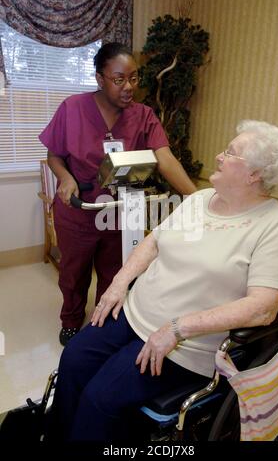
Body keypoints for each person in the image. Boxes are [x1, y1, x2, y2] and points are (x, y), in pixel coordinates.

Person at [48, 120, 278, 441]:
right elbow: (153, 243)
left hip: (183, 343)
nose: (219, 157)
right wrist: (119, 282)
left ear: (254, 174)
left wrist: (178, 328)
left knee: (101, 397)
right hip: (134, 313)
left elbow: (262, 309)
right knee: (74, 358)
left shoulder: (275, 228)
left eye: (230, 153)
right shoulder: (200, 199)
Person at [38, 42, 197, 346]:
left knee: (115, 274)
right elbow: (54, 154)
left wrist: (196, 196)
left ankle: (103, 322)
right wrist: (65, 178)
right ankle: (71, 319)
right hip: (79, 209)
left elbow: (164, 157)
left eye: (135, 78)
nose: (129, 87)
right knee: (74, 273)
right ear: (100, 78)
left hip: (120, 210)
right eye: (119, 79)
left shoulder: (144, 115)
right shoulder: (72, 108)